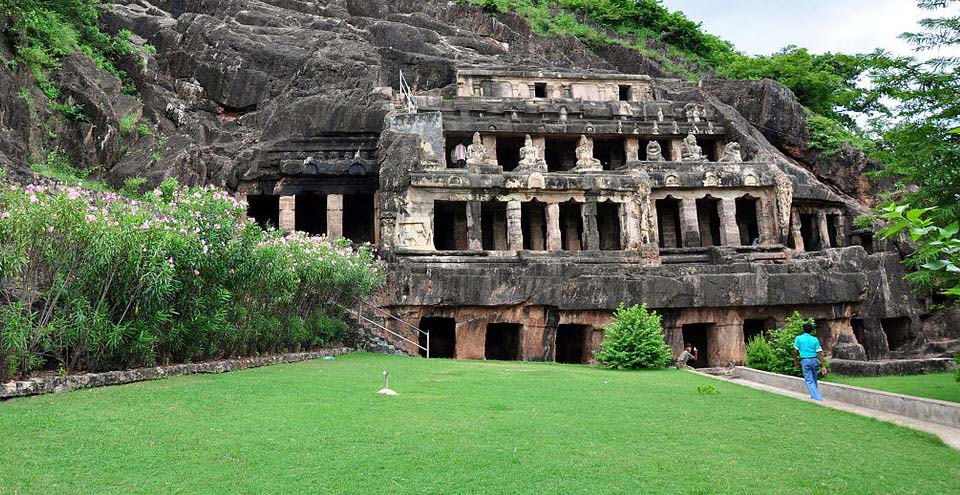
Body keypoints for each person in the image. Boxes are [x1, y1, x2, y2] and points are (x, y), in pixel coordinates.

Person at [793, 322, 828, 401]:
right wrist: (823, 365)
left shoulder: (798, 338)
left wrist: (796, 360)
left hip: (805, 360)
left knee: (809, 380)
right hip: (815, 360)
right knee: (814, 379)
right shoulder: (815, 339)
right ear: (811, 331)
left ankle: (817, 398)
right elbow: (819, 353)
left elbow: (795, 351)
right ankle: (814, 396)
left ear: (803, 329)